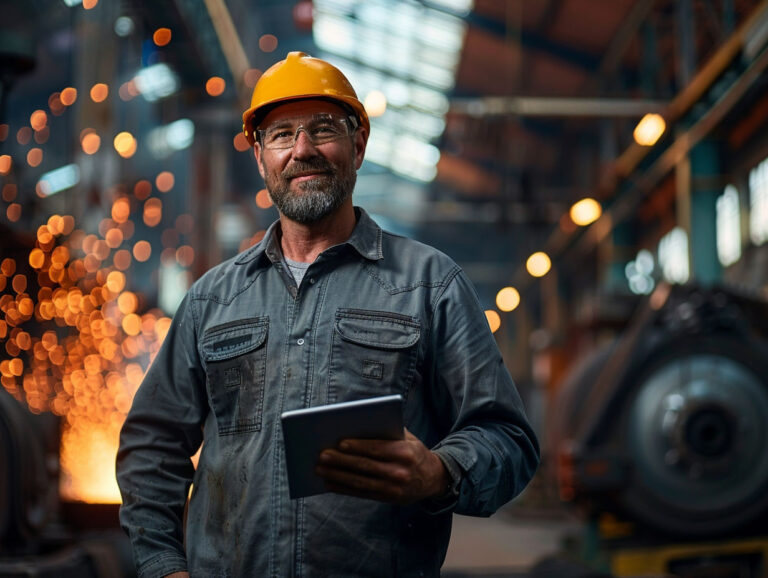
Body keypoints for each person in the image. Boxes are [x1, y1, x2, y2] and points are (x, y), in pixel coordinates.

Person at [116, 51, 539, 578]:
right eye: (281, 134)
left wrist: (438, 471)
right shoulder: (211, 299)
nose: (302, 150)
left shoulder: (431, 286)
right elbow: (152, 442)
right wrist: (162, 565)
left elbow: (508, 439)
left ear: (358, 145)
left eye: (323, 129)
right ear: (259, 156)